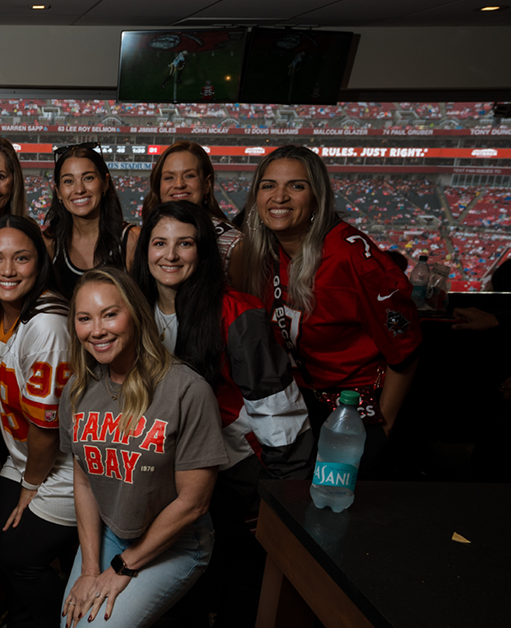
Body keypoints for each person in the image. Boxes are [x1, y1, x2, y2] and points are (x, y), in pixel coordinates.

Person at [130, 200, 312, 627]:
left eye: (185, 244)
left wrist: (285, 502)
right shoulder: (133, 307)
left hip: (238, 472)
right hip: (169, 472)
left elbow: (281, 417)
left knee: (239, 583)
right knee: (181, 587)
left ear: (204, 251)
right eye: (159, 243)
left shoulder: (237, 311)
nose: (170, 255)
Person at [58, 267, 227, 628]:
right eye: (85, 318)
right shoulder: (77, 389)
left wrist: (122, 567)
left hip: (177, 542)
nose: (97, 330)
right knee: (71, 624)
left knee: (98, 627)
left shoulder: (186, 390)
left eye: (110, 314)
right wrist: (90, 570)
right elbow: (85, 481)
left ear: (134, 314)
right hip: (108, 533)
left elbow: (194, 503)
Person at [238, 145, 421, 475]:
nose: (279, 197)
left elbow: (404, 348)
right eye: (268, 185)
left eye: (296, 185)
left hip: (356, 410)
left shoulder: (353, 258)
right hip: (301, 404)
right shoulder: (262, 253)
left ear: (317, 197)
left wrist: (385, 425)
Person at [0, 215, 76, 628]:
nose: (8, 270)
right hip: (23, 461)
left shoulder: (47, 324)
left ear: (41, 260)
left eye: (21, 258)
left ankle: (73, 621)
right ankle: (23, 619)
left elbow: (47, 430)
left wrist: (30, 491)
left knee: (18, 554)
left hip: (66, 468)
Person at [141, 142, 245, 286]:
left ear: (207, 184)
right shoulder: (146, 233)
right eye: (169, 178)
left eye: (189, 176)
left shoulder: (233, 244)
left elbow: (246, 303)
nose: (179, 184)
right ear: (158, 187)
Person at [43, 144, 136, 297]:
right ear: (58, 192)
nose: (79, 189)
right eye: (68, 181)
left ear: (105, 182)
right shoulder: (49, 244)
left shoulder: (131, 240)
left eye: (88, 178)